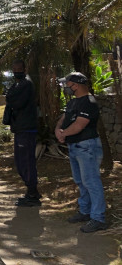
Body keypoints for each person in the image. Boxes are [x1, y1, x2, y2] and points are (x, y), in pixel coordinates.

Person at [56, 72, 108, 233]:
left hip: (87, 147)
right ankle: (85, 211)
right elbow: (65, 117)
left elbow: (79, 125)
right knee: (81, 181)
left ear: (75, 85)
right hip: (75, 147)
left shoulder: (89, 102)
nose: (66, 87)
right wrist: (58, 129)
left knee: (91, 181)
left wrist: (63, 134)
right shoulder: (74, 103)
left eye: (67, 84)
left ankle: (98, 218)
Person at [4, 60, 40, 207]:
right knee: (20, 163)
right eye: (14, 69)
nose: (16, 71)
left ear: (25, 69)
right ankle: (31, 191)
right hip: (20, 129)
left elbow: (14, 101)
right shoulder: (18, 85)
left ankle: (32, 193)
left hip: (27, 129)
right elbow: (10, 98)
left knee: (26, 162)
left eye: (19, 69)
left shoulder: (26, 85)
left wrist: (10, 97)